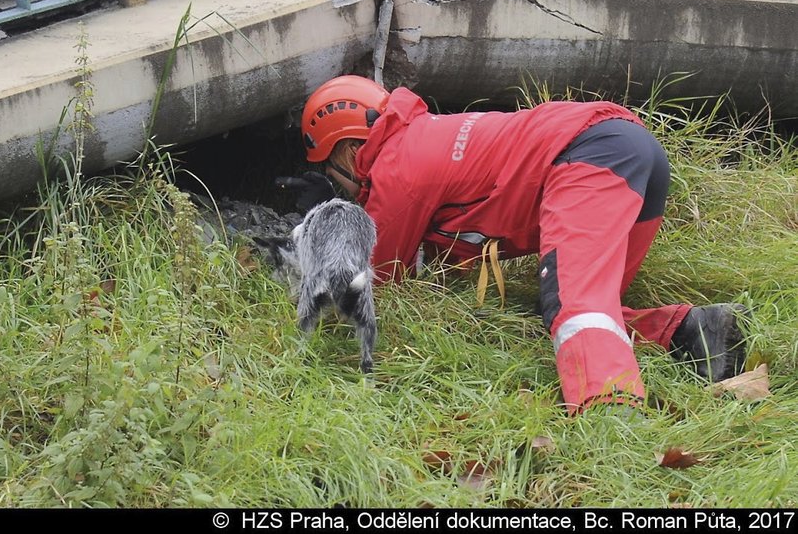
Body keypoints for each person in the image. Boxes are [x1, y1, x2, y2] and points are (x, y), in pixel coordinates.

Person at [300, 75, 749, 414]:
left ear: (344, 150)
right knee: (584, 310)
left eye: (329, 171)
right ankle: (690, 333)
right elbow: (441, 260)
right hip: (630, 148)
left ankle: (608, 411)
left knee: (575, 306)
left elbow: (379, 281)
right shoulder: (421, 136)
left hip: (590, 156)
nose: (336, 185)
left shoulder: (397, 171)